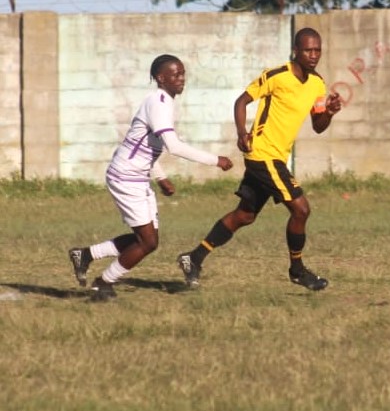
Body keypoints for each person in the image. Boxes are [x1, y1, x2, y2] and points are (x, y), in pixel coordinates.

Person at [176, 28, 342, 291]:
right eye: (308, 50)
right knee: (301, 209)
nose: (313, 55)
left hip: (276, 157)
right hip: (262, 154)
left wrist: (330, 113)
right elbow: (241, 101)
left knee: (244, 216)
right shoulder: (277, 76)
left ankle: (193, 258)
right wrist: (242, 133)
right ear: (296, 51)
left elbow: (318, 125)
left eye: (317, 50)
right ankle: (297, 270)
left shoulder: (317, 84)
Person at [68, 55, 234, 301]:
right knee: (148, 242)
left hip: (138, 176)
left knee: (145, 239)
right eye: (175, 74)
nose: (181, 79)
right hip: (126, 176)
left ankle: (86, 255)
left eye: (182, 74)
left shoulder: (164, 102)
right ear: (160, 78)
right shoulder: (158, 102)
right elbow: (173, 146)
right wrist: (215, 160)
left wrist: (160, 176)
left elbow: (146, 143)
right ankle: (102, 283)